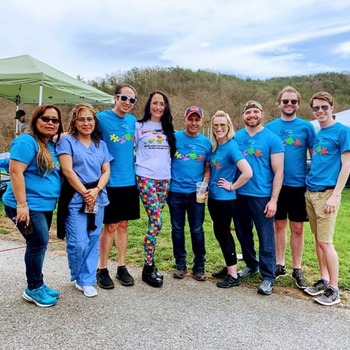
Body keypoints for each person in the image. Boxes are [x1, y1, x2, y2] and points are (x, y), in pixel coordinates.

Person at [2, 104, 63, 307]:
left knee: (39, 244)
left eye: (55, 120)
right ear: (35, 120)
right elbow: (15, 171)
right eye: (46, 118)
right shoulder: (26, 141)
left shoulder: (50, 145)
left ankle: (38, 283)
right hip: (26, 205)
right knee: (37, 244)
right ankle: (34, 288)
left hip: (44, 205)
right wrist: (22, 205)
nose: (50, 123)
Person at [56, 103, 112, 297]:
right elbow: (67, 170)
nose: (86, 123)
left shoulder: (101, 144)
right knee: (78, 242)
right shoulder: (67, 142)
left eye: (89, 119)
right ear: (75, 122)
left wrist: (96, 190)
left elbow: (106, 171)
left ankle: (86, 280)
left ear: (94, 121)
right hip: (75, 198)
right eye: (82, 119)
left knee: (93, 239)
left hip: (98, 197)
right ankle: (77, 273)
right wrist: (85, 192)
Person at [265, 86, 316, 289]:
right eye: (285, 101)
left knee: (297, 227)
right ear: (279, 103)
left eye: (293, 101)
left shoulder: (306, 127)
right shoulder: (269, 127)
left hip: (298, 185)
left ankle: (297, 268)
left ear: (298, 104)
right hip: (276, 186)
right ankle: (279, 264)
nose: (289, 104)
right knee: (278, 226)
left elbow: (316, 155)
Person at [304, 91, 350, 306]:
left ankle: (334, 288)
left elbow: (347, 165)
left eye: (324, 107)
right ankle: (323, 280)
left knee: (326, 242)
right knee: (317, 239)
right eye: (316, 108)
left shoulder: (343, 132)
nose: (320, 111)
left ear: (332, 107)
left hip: (327, 194)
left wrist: (336, 194)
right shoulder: (318, 133)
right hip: (311, 192)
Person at [233, 100, 284, 295]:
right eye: (248, 112)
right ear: (243, 115)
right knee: (243, 233)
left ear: (262, 113)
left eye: (255, 111)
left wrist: (274, 199)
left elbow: (278, 172)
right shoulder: (236, 137)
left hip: (262, 196)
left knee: (266, 236)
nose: (252, 115)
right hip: (239, 195)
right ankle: (250, 264)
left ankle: (268, 276)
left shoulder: (272, 139)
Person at [96, 84, 140, 289]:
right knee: (110, 226)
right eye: (124, 98)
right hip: (109, 181)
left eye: (132, 100)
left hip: (129, 181)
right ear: (115, 98)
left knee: (123, 225)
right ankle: (102, 268)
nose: (128, 103)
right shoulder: (101, 118)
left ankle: (122, 266)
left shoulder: (133, 122)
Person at [134, 91, 176, 287]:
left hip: (164, 179)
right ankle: (147, 267)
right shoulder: (139, 126)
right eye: (155, 103)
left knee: (154, 222)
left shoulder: (169, 129)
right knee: (157, 221)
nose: (158, 107)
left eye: (162, 104)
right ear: (149, 105)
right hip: (145, 177)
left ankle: (151, 262)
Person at [208, 110, 252, 288]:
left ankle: (233, 276)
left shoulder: (232, 147)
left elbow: (248, 172)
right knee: (220, 233)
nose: (219, 128)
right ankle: (229, 267)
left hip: (225, 199)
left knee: (224, 234)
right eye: (216, 125)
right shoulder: (216, 147)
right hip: (213, 197)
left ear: (229, 127)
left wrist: (232, 186)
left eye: (222, 125)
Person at [167, 106, 211, 281]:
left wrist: (204, 186)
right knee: (177, 229)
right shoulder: (174, 139)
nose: (193, 123)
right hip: (175, 193)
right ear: (184, 120)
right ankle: (180, 264)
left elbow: (207, 169)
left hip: (196, 195)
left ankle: (199, 266)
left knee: (197, 229)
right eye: (190, 119)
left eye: (197, 119)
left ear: (201, 121)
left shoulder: (206, 143)